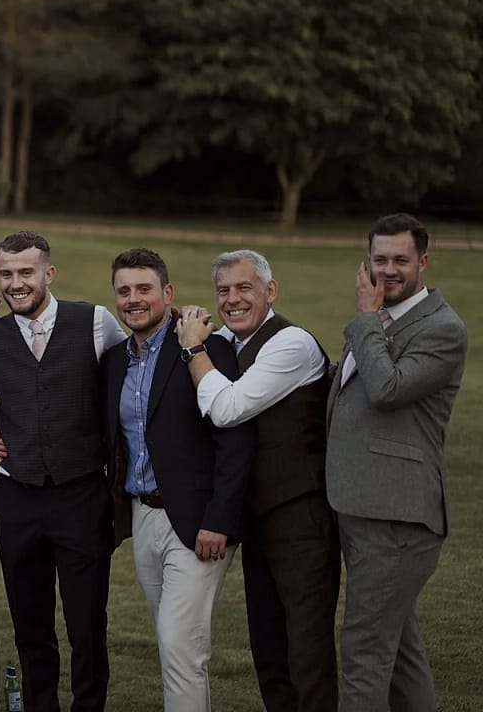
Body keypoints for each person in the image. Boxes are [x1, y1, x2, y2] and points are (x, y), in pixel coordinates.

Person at [173, 249, 338, 711]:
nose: (232, 299)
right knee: (267, 648)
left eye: (244, 288)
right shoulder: (225, 341)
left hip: (301, 516)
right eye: (223, 291)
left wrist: (192, 349)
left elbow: (226, 409)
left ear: (270, 290)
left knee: (306, 648)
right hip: (255, 518)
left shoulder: (292, 344)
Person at [0, 232, 127, 712]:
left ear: (48, 273)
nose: (16, 284)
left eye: (26, 273)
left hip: (81, 494)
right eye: (7, 274)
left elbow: (136, 377)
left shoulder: (95, 322)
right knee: (30, 623)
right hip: (17, 496)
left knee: (86, 623)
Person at [326, 213, 467, 710]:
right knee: (400, 653)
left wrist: (366, 317)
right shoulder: (381, 319)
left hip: (398, 519)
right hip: (361, 509)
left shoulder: (443, 329)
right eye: (379, 258)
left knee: (365, 654)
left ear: (423, 262)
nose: (387, 269)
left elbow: (386, 389)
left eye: (400, 260)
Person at [102, 248, 253, 710]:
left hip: (197, 523)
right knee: (171, 641)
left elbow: (235, 441)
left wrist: (220, 520)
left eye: (144, 289)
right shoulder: (113, 361)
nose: (133, 299)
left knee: (179, 643)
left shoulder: (206, 346)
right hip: (142, 517)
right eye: (124, 291)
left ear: (167, 293)